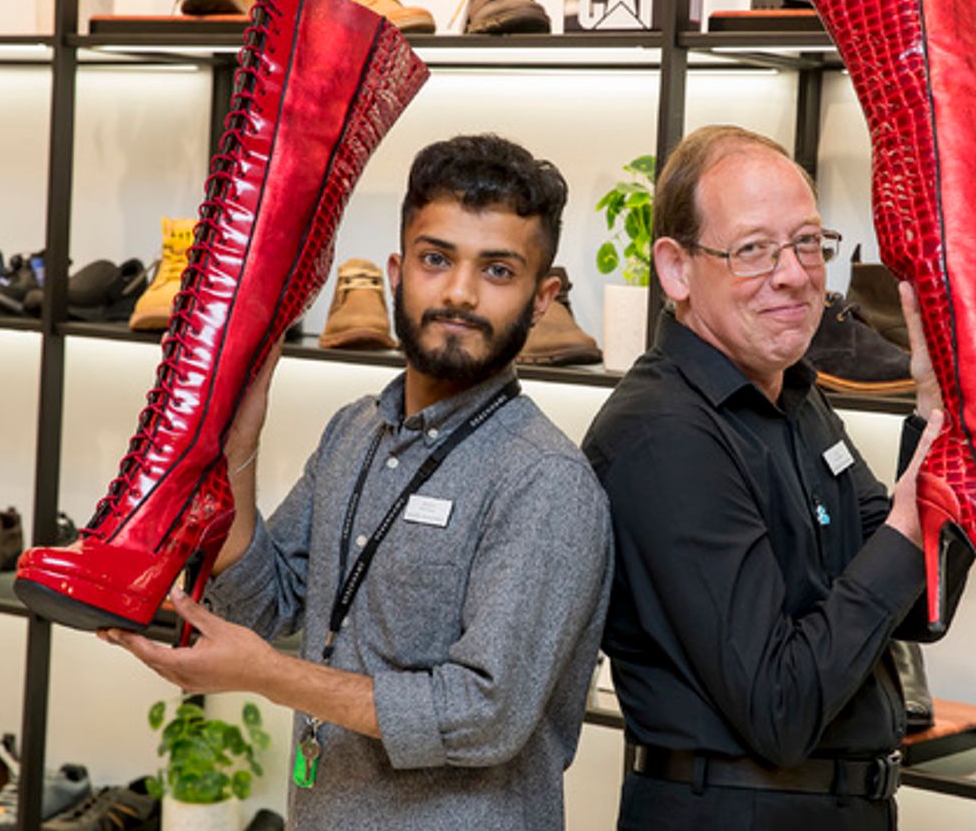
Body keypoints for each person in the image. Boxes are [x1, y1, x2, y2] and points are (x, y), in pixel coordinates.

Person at [103, 134, 614, 831]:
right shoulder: (356, 431)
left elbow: (482, 716)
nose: (459, 293)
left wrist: (270, 675)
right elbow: (266, 602)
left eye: (498, 270)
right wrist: (241, 442)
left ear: (543, 296)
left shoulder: (546, 481)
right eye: (437, 260)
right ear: (398, 271)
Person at [581, 125, 976, 830]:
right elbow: (781, 707)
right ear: (675, 269)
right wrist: (916, 511)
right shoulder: (662, 434)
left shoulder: (795, 395)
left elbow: (915, 608)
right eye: (753, 249)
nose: (794, 273)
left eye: (807, 243)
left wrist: (950, 403)